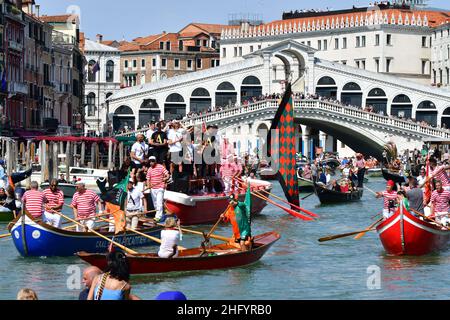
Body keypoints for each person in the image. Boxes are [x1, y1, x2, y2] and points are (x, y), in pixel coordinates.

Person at [221, 186, 252, 252]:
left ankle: (246, 256)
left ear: (236, 200)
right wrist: (223, 217)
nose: (231, 203)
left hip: (244, 230)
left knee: (242, 243)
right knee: (240, 244)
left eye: (232, 201)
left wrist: (237, 203)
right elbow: (226, 220)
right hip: (236, 232)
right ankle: (248, 249)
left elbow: (243, 205)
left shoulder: (240, 206)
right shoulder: (229, 209)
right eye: (229, 201)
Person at [146, 156, 170, 222]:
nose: (151, 163)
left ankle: (158, 217)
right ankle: (159, 215)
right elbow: (148, 179)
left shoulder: (160, 167)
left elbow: (167, 175)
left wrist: (165, 178)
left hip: (160, 187)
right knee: (155, 203)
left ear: (155, 161)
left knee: (159, 202)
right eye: (150, 161)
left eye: (152, 161)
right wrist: (148, 186)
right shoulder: (149, 169)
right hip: (153, 188)